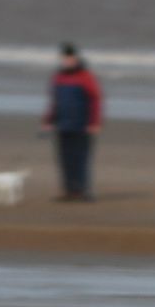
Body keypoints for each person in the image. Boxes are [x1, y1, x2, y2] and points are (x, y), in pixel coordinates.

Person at [42, 42, 103, 201]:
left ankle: (81, 190)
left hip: (82, 124)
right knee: (64, 159)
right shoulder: (58, 77)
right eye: (65, 59)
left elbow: (95, 99)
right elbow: (54, 101)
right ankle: (68, 190)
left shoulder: (86, 77)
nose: (67, 61)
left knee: (81, 158)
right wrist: (48, 120)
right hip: (62, 124)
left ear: (76, 59)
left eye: (70, 58)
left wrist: (95, 123)